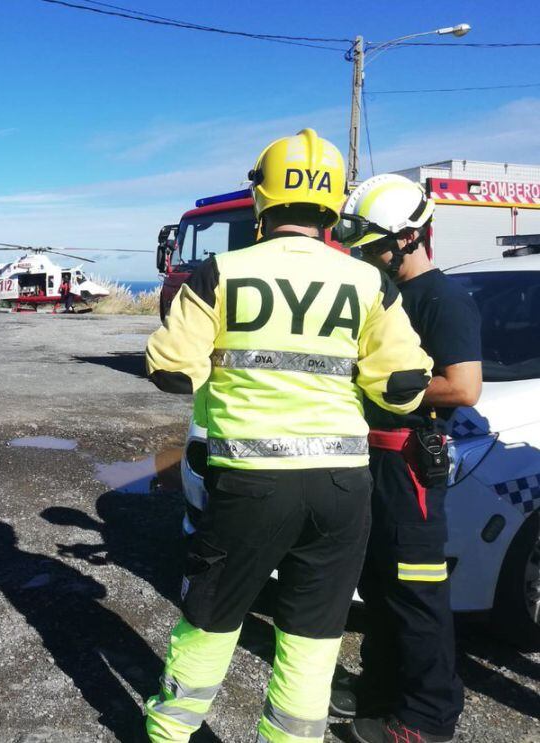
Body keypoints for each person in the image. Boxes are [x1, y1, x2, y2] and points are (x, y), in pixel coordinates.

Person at [143, 128, 433, 743]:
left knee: (212, 618)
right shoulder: (369, 282)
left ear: (261, 201)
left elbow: (170, 370)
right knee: (313, 634)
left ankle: (170, 729)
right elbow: (403, 388)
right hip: (341, 487)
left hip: (248, 485)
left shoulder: (220, 273)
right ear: (332, 206)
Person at [333, 174, 482, 743]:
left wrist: (390, 389)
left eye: (376, 245)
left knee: (417, 594)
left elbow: (464, 388)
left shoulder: (444, 299)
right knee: (381, 586)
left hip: (409, 468)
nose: (369, 255)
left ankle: (427, 718)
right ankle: (380, 690)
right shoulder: (387, 294)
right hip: (375, 464)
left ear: (410, 237)